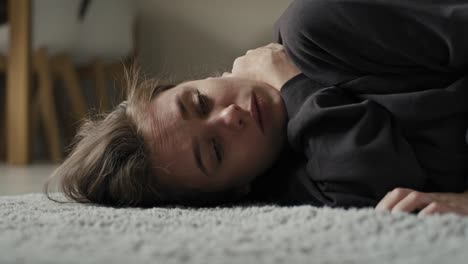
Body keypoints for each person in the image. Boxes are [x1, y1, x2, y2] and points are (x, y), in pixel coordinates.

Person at [45, 0, 468, 216]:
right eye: (214, 151)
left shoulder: (314, 30)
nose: (230, 117)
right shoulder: (300, 183)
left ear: (200, 77)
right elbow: (386, 182)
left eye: (200, 101)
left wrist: (291, 81)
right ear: (234, 191)